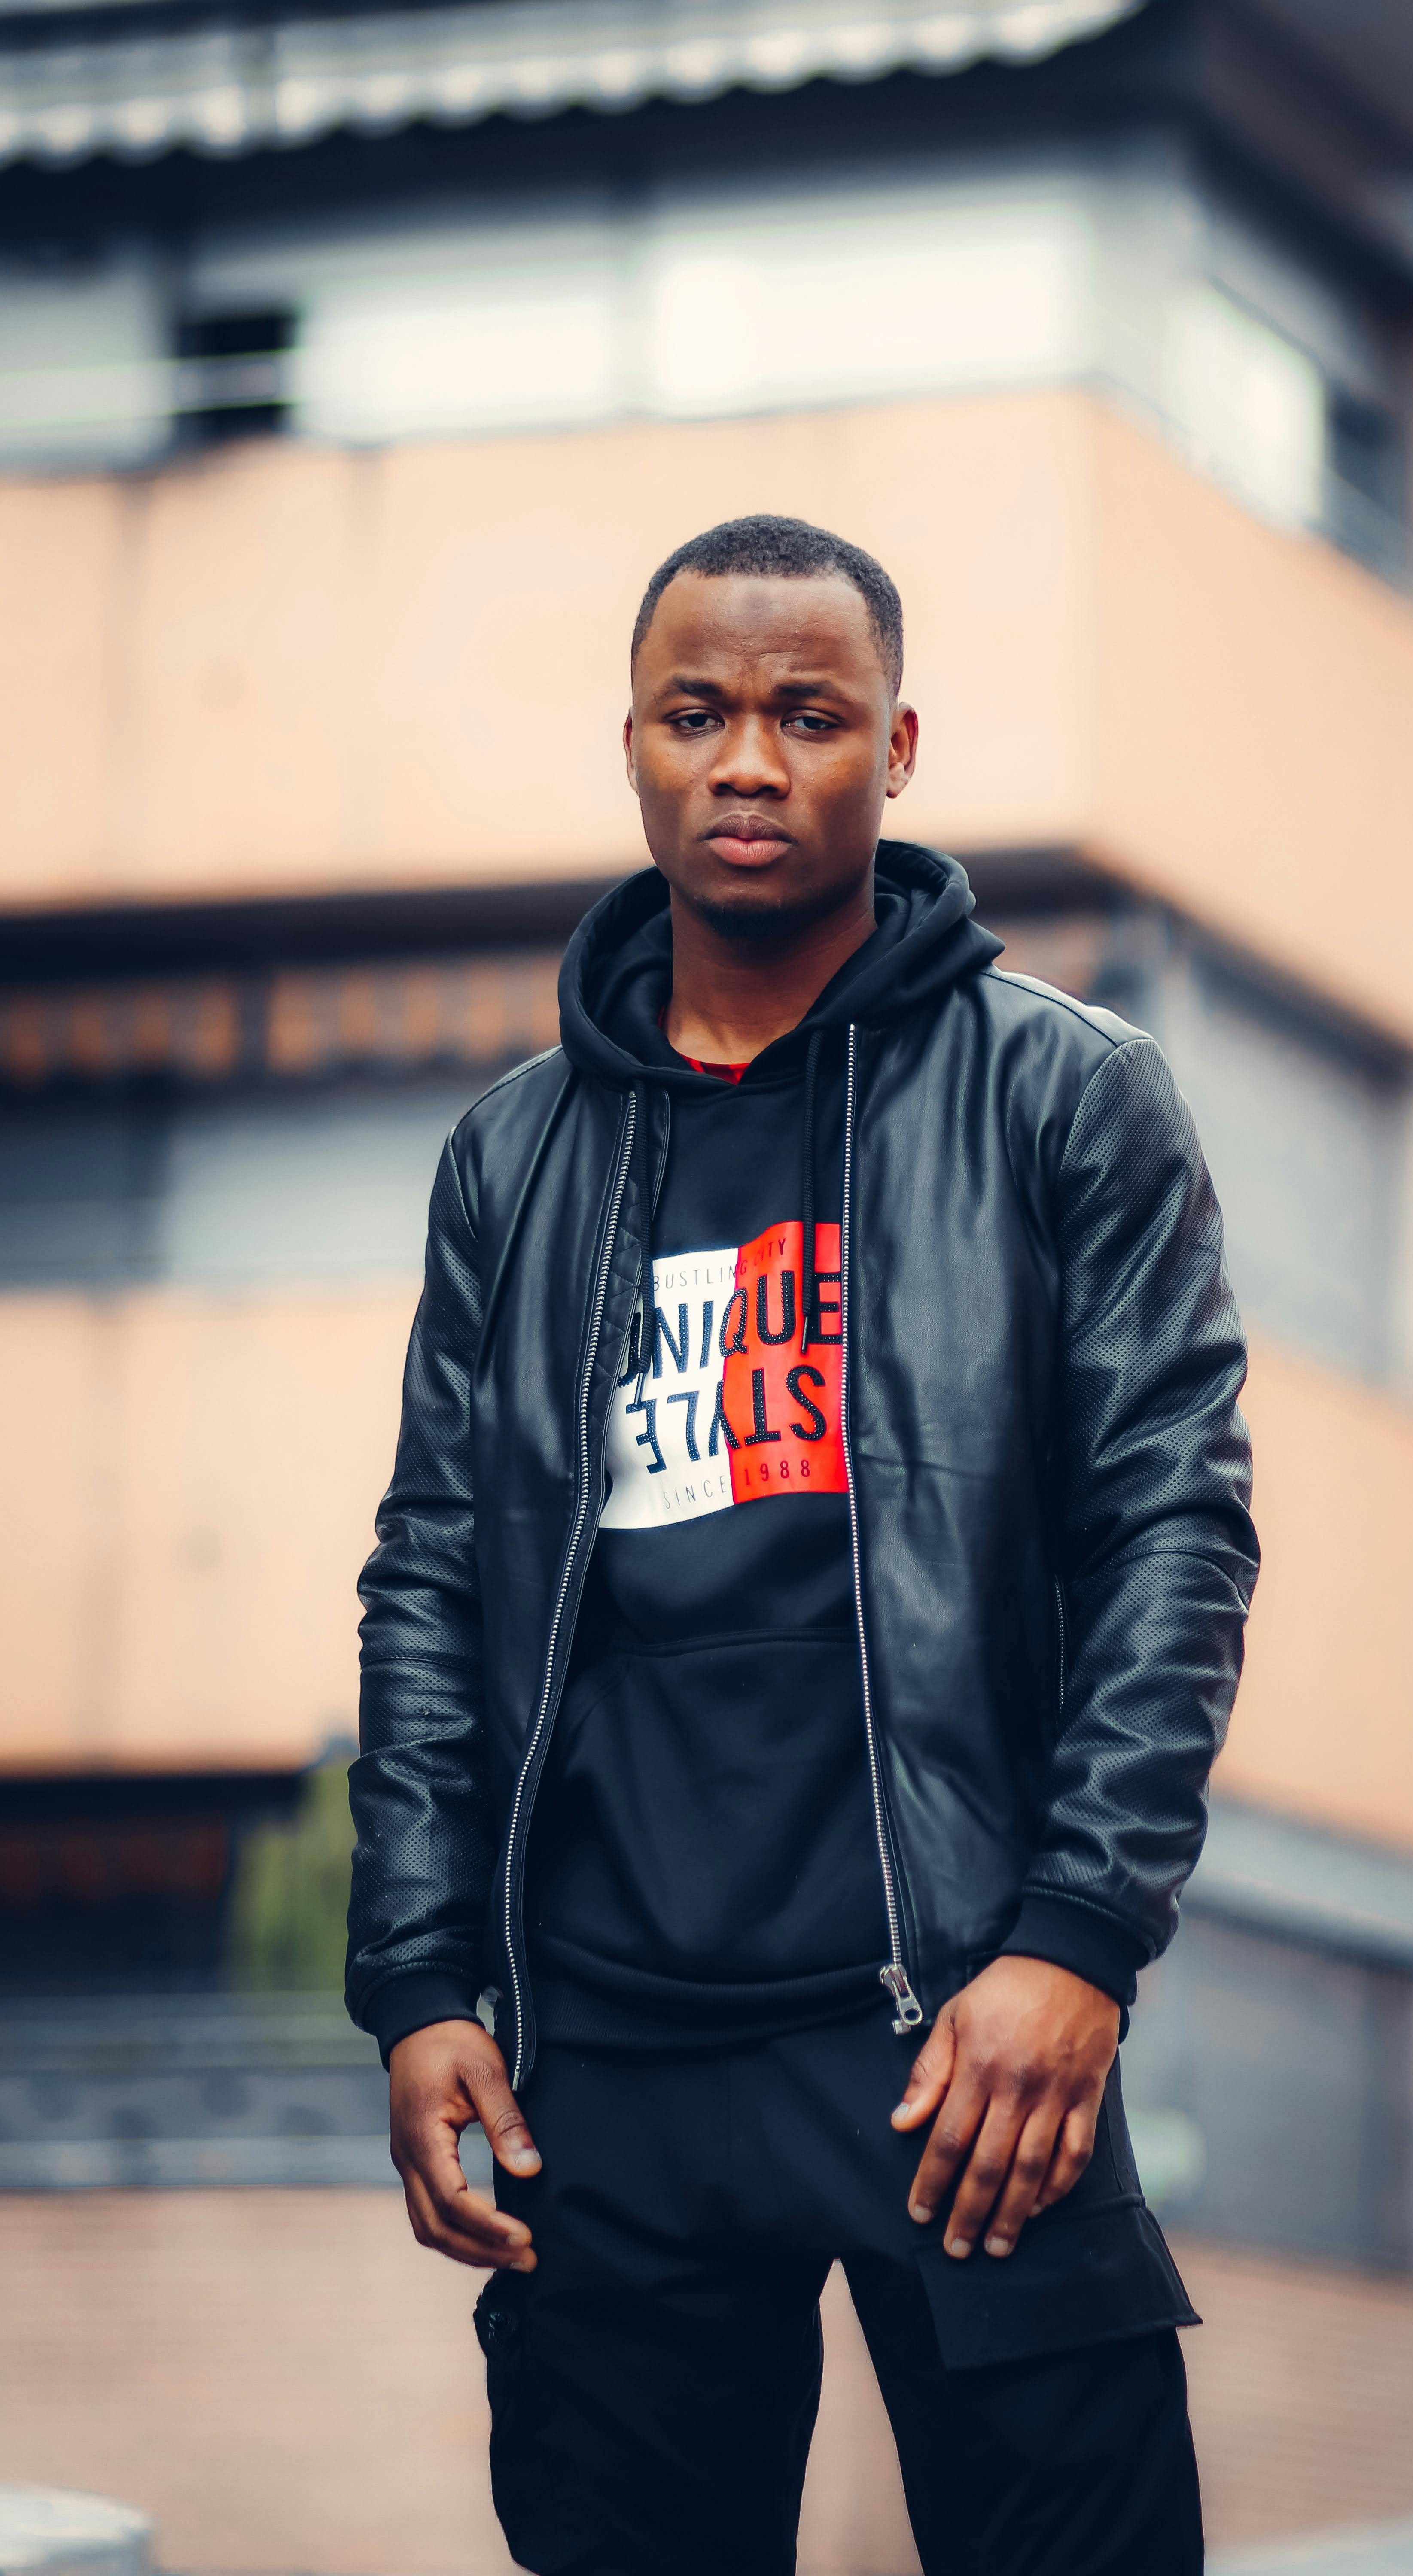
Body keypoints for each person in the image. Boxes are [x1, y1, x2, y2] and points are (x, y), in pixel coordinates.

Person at [347, 513, 1258, 2576]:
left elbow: (1169, 1534)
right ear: (637, 747)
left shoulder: (1062, 1097)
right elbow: (431, 1572)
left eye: (805, 714)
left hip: (955, 2029)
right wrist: (419, 1981)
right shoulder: (517, 1150)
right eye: (698, 712)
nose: (747, 759)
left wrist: (1073, 1941)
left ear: (896, 751)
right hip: (609, 2057)